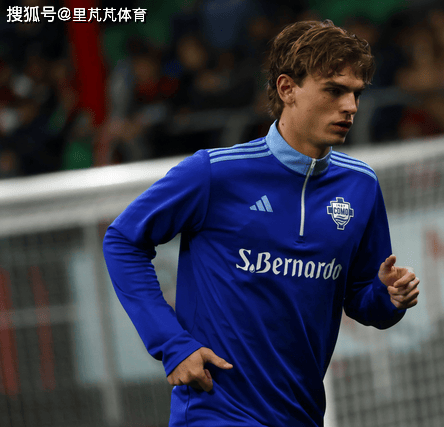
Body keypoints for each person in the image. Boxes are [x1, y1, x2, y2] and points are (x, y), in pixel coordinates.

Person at [102, 20, 420, 426]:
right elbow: (123, 241)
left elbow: (361, 297)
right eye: (334, 90)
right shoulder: (214, 173)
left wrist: (389, 298)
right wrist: (172, 344)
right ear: (287, 89)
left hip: (301, 413)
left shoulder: (361, 186)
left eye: (356, 93)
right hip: (216, 411)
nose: (351, 107)